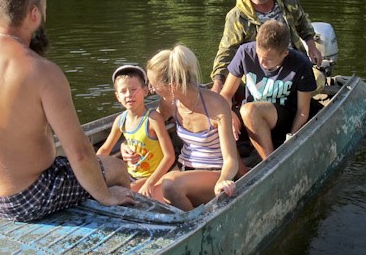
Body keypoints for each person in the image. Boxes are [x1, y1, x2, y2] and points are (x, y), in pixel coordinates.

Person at [0, 0, 134, 221]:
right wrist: (105, 195)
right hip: (24, 199)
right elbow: (80, 151)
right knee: (115, 167)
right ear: (34, 14)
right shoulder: (41, 71)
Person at [131, 45, 239, 211]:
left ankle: (194, 222)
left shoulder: (217, 105)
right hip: (182, 170)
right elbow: (147, 129)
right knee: (132, 191)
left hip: (214, 174)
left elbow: (231, 160)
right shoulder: (169, 103)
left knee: (170, 185)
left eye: (153, 86)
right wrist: (127, 146)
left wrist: (223, 181)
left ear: (172, 85)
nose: (152, 90)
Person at [210, 0, 324, 93]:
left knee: (318, 81)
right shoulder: (236, 16)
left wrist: (311, 45)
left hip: (294, 64)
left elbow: (302, 22)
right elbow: (226, 51)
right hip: (260, 73)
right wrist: (218, 82)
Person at [220, 20, 317, 160]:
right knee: (215, 112)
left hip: (282, 117)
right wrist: (228, 112)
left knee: (250, 111)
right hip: (250, 119)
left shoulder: (301, 64)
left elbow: (303, 111)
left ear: (284, 53)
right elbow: (226, 94)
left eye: (269, 59)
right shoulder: (245, 52)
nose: (262, 63)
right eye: (259, 56)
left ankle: (270, 161)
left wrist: (292, 139)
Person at [96, 64, 176, 197]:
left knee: (125, 195)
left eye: (133, 89)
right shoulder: (120, 121)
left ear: (145, 91)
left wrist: (149, 183)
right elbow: (105, 150)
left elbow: (169, 156)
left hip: (156, 176)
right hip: (132, 175)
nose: (129, 95)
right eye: (123, 91)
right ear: (117, 96)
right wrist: (91, 169)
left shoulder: (153, 119)